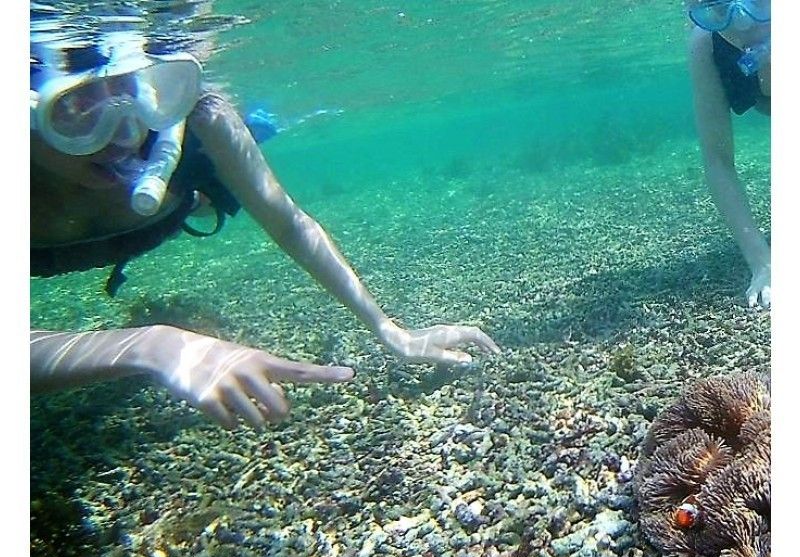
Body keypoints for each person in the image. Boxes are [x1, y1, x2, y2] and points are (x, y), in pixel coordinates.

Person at [30, 32, 500, 431]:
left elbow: (291, 223)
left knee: (213, 181)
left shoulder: (196, 117)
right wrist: (155, 344)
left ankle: (239, 148)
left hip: (181, 204)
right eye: (72, 109)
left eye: (134, 97)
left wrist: (389, 329)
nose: (118, 138)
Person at [685, 0, 771, 307]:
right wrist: (763, 263)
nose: (743, 23)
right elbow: (717, 159)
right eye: (719, 9)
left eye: (759, 1)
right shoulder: (705, 46)